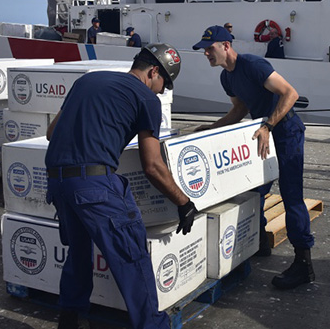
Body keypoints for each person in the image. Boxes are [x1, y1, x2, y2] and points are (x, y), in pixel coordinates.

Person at [45, 44, 196, 329]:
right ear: (153, 72)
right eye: (163, 85)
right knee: (132, 259)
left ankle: (68, 319)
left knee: (78, 252)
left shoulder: (87, 80)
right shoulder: (146, 99)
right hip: (95, 185)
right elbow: (152, 166)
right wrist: (183, 202)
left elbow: (52, 132)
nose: (161, 93)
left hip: (57, 181)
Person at [192, 26, 315, 290]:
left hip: (286, 132)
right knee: (254, 190)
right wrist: (211, 129)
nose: (206, 53)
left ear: (226, 46)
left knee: (291, 195)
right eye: (204, 49)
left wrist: (268, 126)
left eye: (209, 48)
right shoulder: (227, 78)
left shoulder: (252, 65)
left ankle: (304, 264)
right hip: (264, 135)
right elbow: (239, 110)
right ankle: (258, 242)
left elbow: (289, 94)